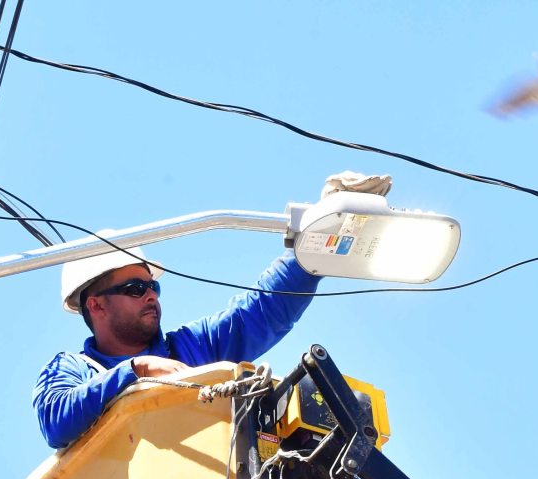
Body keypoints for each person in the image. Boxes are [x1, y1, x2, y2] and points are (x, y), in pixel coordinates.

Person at [32, 172, 392, 449]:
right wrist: (137, 369)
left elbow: (263, 309)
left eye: (153, 287)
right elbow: (56, 420)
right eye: (136, 289)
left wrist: (321, 236)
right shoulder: (75, 369)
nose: (151, 296)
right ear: (96, 305)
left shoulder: (191, 349)